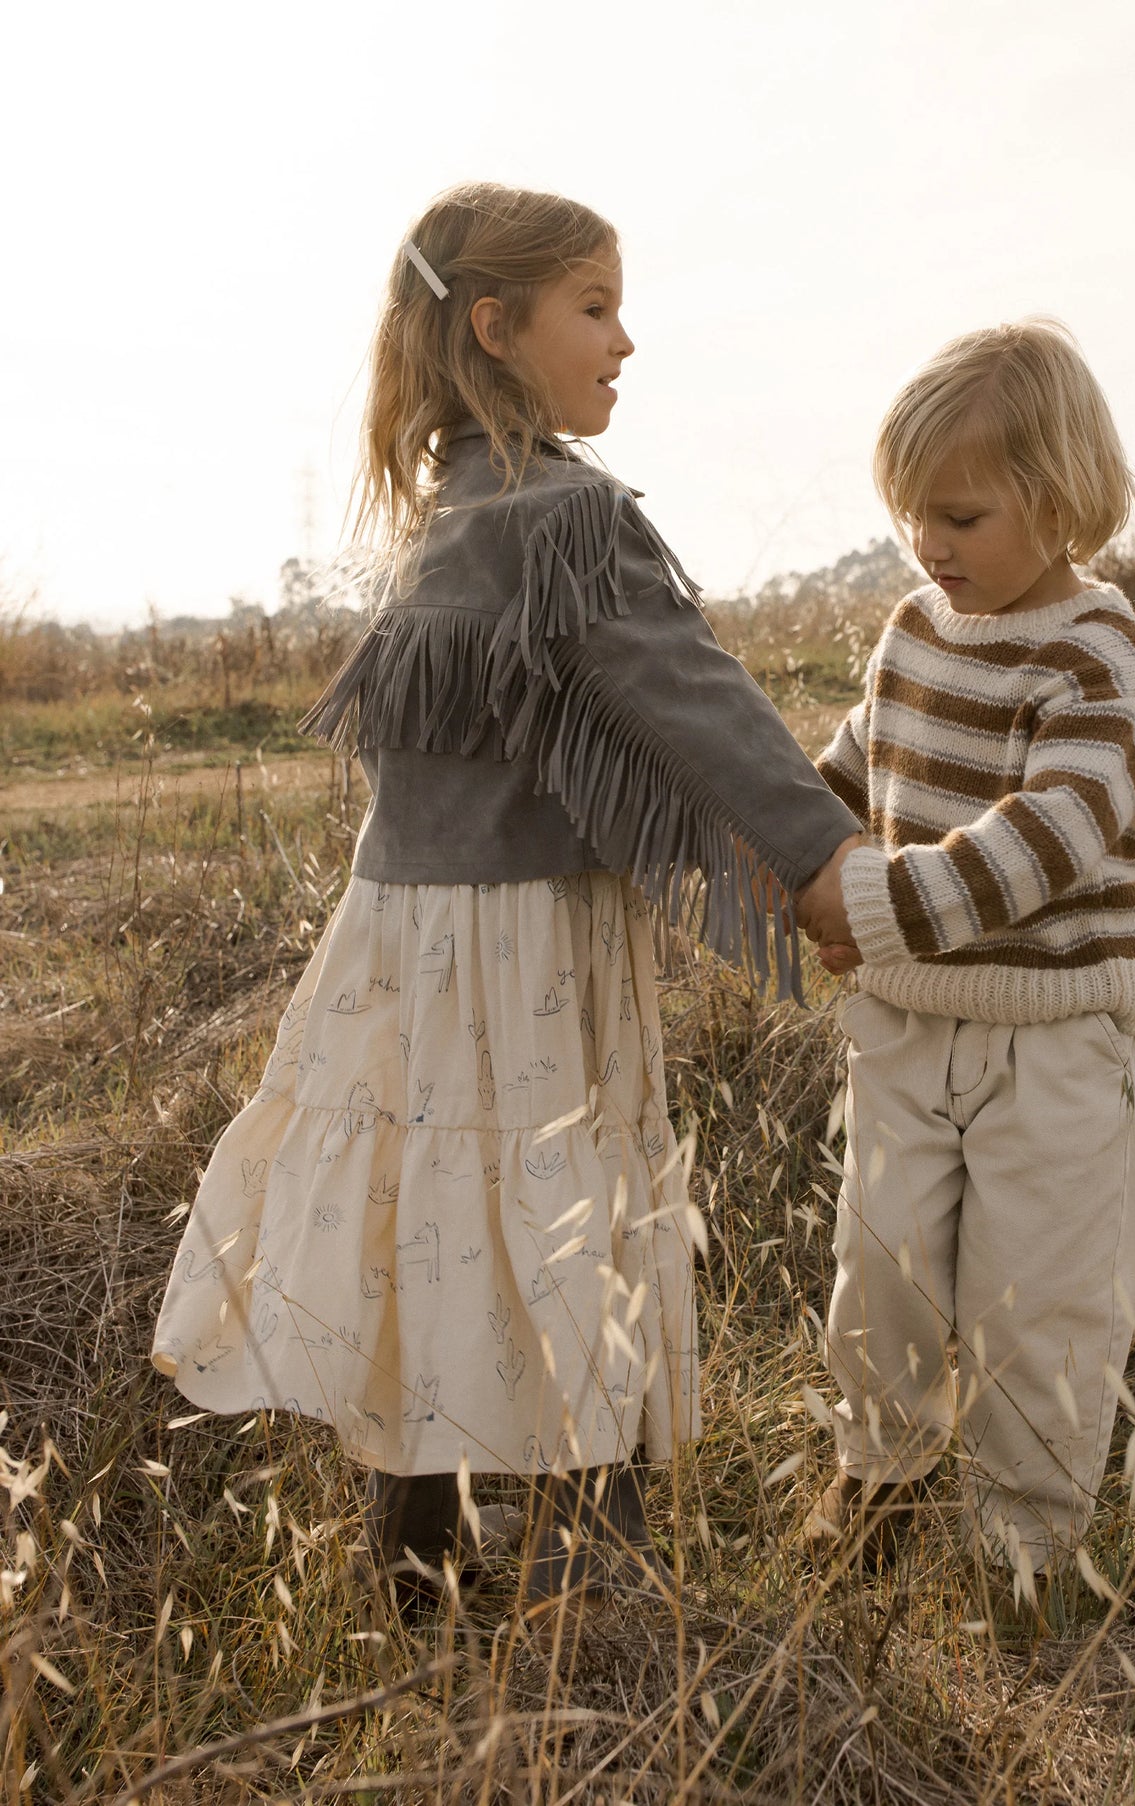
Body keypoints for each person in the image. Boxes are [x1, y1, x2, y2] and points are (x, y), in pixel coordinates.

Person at [151, 181, 862, 1610]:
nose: (625, 341)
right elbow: (689, 699)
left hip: (402, 944)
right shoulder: (562, 518)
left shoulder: (443, 518)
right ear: (496, 325)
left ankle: (417, 1562)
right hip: (525, 947)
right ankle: (592, 1573)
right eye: (593, 308)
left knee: (431, 1214)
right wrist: (821, 857)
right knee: (556, 1214)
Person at [798, 320, 1135, 1601]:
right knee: (881, 1267)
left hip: (1052, 1042)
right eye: (912, 520)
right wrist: (790, 836)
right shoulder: (914, 627)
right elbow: (857, 763)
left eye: (958, 516)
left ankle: (1027, 1542)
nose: (930, 547)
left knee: (1039, 1298)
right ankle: (878, 1474)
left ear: (1056, 503)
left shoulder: (1094, 657)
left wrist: (878, 901)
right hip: (905, 1028)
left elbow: (1052, 837)